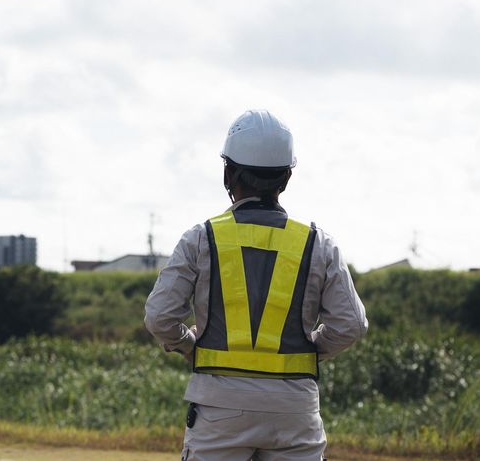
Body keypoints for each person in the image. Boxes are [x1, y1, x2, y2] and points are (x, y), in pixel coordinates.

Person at [144, 110, 368, 461]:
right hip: (294, 409)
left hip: (218, 406)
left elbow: (159, 317)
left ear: (228, 174)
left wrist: (189, 345)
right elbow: (351, 324)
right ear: (287, 177)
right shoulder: (318, 243)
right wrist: (307, 351)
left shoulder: (200, 238)